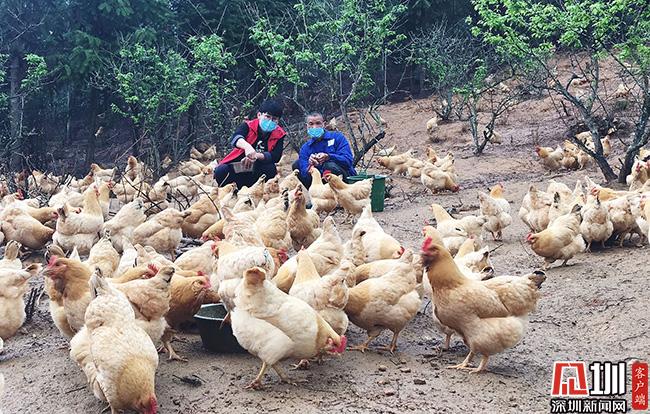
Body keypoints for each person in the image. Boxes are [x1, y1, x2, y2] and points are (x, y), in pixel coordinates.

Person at [214, 100, 285, 187]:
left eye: (274, 119)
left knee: (270, 169)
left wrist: (255, 156)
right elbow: (236, 138)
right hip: (239, 165)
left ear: (278, 121)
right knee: (221, 171)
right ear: (259, 115)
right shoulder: (248, 126)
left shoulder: (280, 134)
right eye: (267, 116)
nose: (270, 121)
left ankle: (259, 191)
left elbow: (276, 156)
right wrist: (247, 147)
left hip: (258, 168)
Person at [293, 112, 356, 188]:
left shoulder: (337, 137)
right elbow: (304, 174)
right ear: (307, 126)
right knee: (297, 165)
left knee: (329, 166)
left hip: (343, 179)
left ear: (324, 124)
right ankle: (316, 194)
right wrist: (311, 165)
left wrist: (329, 157)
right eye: (311, 124)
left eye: (318, 123)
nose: (314, 127)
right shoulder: (305, 148)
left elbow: (348, 161)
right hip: (320, 181)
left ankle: (340, 193)